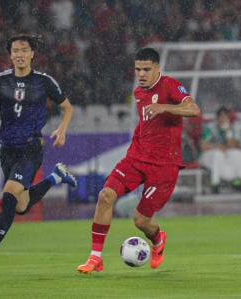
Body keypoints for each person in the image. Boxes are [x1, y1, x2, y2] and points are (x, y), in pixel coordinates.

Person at [77, 48, 200, 273]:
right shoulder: (139, 92)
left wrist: (164, 107)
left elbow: (194, 109)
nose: (141, 74)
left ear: (157, 68)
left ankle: (158, 240)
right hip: (136, 157)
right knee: (106, 196)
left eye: (146, 69)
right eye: (137, 69)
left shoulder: (171, 85)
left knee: (141, 221)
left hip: (164, 166)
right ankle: (95, 257)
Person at [0, 34, 77, 266]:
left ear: (32, 54)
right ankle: (55, 177)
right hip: (7, 148)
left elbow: (67, 108)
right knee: (20, 206)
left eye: (24, 50)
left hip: (30, 147)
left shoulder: (44, 81)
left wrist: (61, 130)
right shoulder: (0, 80)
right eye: (15, 50)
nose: (19, 54)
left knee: (9, 196)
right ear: (10, 55)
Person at [199, 106, 237, 193]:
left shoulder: (230, 129)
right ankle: (215, 184)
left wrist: (228, 132)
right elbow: (203, 146)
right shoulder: (210, 128)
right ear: (217, 117)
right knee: (217, 154)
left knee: (234, 154)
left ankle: (236, 181)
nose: (223, 119)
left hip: (223, 157)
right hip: (207, 156)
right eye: (221, 116)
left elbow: (233, 146)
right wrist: (217, 147)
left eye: (226, 117)